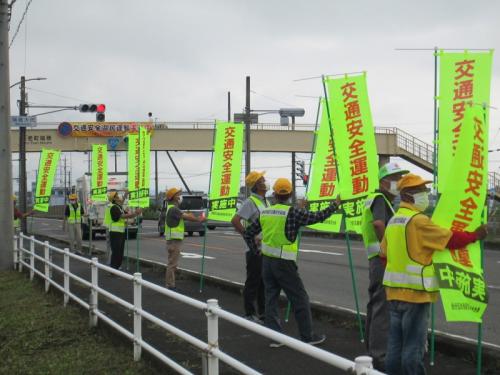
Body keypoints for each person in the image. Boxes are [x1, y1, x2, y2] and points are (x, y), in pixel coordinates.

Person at [381, 174, 488, 375]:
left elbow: (383, 255)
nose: (425, 195)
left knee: (395, 346)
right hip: (415, 295)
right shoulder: (418, 221)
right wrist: (476, 235)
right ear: (408, 195)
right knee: (413, 348)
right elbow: (449, 239)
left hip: (393, 294)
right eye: (421, 191)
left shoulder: (395, 221)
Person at [243, 178, 340, 346]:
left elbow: (248, 233)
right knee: (299, 298)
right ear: (290, 194)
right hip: (284, 264)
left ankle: (275, 338)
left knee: (270, 299)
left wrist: (256, 250)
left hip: (267, 262)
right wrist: (335, 204)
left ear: (274, 194)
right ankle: (307, 337)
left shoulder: (266, 212)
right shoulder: (294, 213)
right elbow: (318, 216)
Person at [361, 162, 408, 370]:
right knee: (383, 306)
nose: (398, 182)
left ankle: (371, 349)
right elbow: (379, 224)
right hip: (382, 260)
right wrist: (387, 250)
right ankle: (380, 355)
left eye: (400, 177)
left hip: (375, 259)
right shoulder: (380, 199)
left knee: (375, 304)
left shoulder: (375, 198)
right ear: (383, 181)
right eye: (395, 178)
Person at [231, 171, 270, 323]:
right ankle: (249, 313)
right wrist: (250, 237)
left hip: (265, 248)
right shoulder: (251, 202)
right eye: (262, 180)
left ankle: (263, 312)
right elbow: (235, 221)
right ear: (256, 185)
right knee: (253, 281)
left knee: (263, 282)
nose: (266, 181)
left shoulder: (266, 202)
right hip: (254, 249)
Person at [164, 187, 206, 291]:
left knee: (172, 263)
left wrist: (191, 216)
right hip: (174, 240)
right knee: (172, 264)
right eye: (178, 194)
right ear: (173, 197)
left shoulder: (171, 208)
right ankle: (170, 285)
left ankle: (171, 284)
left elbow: (185, 215)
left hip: (173, 239)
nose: (180, 196)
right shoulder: (173, 209)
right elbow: (187, 217)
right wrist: (199, 219)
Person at [109, 191, 142, 269]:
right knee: (116, 251)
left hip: (120, 232)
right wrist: (135, 213)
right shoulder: (114, 207)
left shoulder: (118, 206)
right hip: (115, 232)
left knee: (120, 251)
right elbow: (123, 216)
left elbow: (122, 203)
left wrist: (126, 194)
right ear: (115, 199)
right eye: (117, 196)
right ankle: (113, 269)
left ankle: (117, 267)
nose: (119, 197)